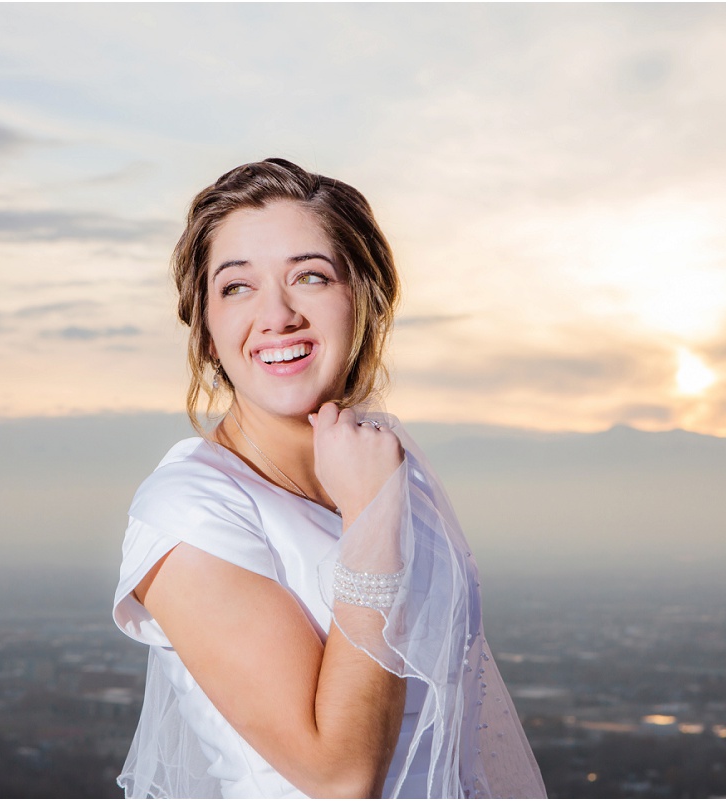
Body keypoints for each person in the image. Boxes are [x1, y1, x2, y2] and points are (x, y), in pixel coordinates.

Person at [113, 158, 546, 799]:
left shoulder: (380, 462)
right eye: (237, 287)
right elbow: (340, 778)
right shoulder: (191, 510)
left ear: (362, 300)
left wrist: (375, 494)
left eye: (310, 277)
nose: (277, 314)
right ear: (205, 329)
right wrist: (371, 514)